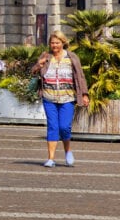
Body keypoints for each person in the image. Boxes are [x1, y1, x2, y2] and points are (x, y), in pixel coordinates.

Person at [34, 31, 89, 168]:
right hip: (49, 97)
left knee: (64, 127)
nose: (55, 45)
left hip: (67, 97)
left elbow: (80, 76)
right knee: (52, 126)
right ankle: (51, 158)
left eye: (57, 43)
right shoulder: (45, 57)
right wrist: (39, 65)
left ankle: (68, 151)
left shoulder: (71, 57)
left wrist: (84, 94)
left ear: (63, 43)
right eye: (52, 43)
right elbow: (33, 71)